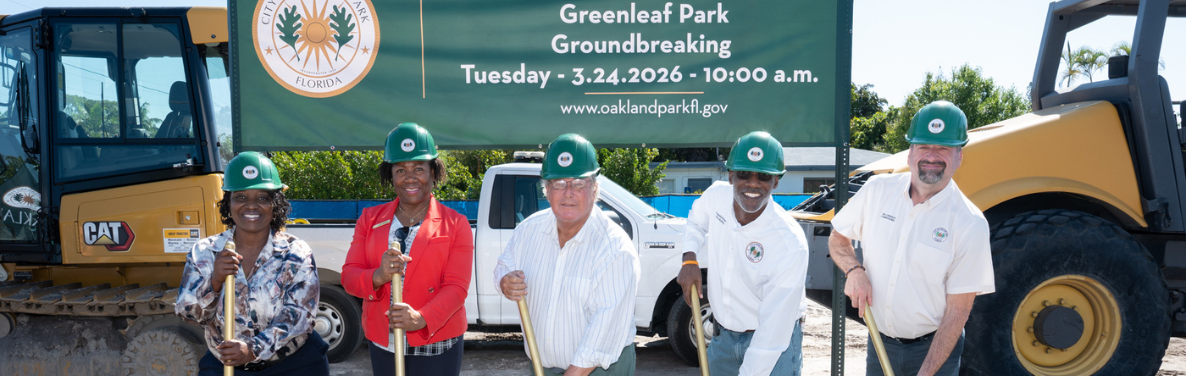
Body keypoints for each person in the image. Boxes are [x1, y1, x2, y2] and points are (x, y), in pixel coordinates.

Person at [828, 101, 995, 376]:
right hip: (879, 344)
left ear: (959, 156)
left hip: (933, 351)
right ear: (910, 153)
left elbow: (958, 312)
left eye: (943, 148)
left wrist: (926, 372)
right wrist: (855, 270)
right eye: (923, 146)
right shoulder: (877, 191)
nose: (932, 156)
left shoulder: (969, 223)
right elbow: (838, 239)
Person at [495, 133, 640, 376]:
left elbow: (604, 329)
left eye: (579, 183)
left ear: (595, 190)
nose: (568, 192)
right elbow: (503, 266)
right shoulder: (528, 231)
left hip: (598, 369)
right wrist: (504, 281)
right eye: (559, 183)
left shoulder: (615, 248)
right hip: (542, 368)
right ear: (547, 190)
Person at [176, 151, 328, 375]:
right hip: (226, 366)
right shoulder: (205, 252)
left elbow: (300, 316)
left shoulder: (296, 253)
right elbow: (187, 314)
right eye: (241, 197)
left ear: (275, 204)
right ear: (229, 202)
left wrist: (253, 349)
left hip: (293, 365)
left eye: (262, 198)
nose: (251, 205)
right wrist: (215, 281)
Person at [341, 122, 474, 375]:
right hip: (385, 343)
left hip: (436, 341)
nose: (410, 177)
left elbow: (457, 287)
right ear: (390, 175)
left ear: (433, 172)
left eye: (419, 169)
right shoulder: (369, 219)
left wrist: (421, 318)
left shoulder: (455, 223)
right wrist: (378, 276)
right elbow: (349, 276)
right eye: (400, 170)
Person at [676, 131, 809, 376]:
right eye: (744, 174)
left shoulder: (790, 243)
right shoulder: (716, 197)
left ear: (776, 181)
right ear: (730, 176)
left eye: (764, 176)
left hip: (773, 346)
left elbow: (772, 332)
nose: (753, 183)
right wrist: (689, 259)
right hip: (722, 340)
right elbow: (695, 221)